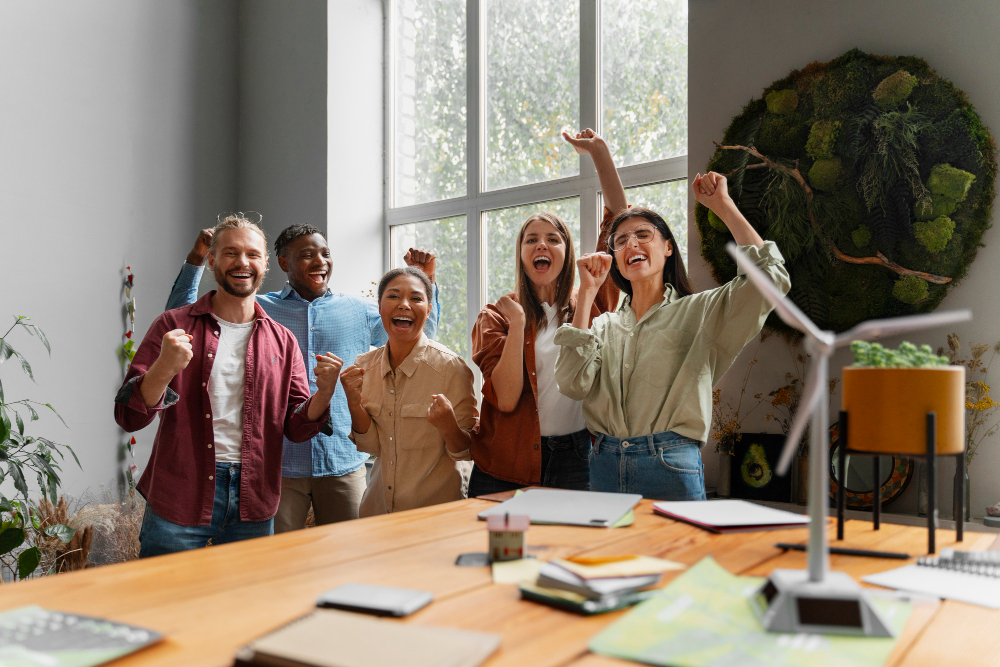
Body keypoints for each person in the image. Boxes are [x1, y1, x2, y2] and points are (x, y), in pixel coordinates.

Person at [165, 224, 440, 532]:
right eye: (307, 255)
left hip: (343, 463)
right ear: (284, 263)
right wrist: (197, 256)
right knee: (280, 565)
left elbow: (421, 337)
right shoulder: (257, 310)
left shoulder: (359, 311)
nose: (320, 261)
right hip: (279, 465)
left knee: (346, 561)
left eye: (325, 254)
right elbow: (178, 317)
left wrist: (425, 280)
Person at [554, 171, 791, 500]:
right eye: (620, 241)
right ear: (618, 265)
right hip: (604, 465)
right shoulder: (603, 326)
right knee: (610, 555)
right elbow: (571, 383)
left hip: (669, 465)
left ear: (667, 248)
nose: (631, 243)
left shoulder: (701, 312)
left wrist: (722, 205)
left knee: (680, 555)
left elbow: (770, 280)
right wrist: (587, 295)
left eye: (642, 234)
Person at [115, 215, 339, 557]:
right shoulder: (173, 325)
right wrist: (163, 368)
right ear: (211, 260)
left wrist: (323, 394)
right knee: (160, 605)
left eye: (252, 254)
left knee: (244, 607)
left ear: (265, 264)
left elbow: (295, 427)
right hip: (180, 491)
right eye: (230, 252)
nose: (242, 262)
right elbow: (129, 418)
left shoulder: (283, 341)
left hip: (254, 499)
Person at [467, 128, 626, 496]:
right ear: (522, 255)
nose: (542, 244)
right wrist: (520, 322)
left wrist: (600, 155)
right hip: (504, 462)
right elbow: (506, 399)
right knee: (501, 552)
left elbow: (620, 222)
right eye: (531, 239)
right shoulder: (495, 316)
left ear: (567, 252)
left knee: (570, 551)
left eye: (553, 238)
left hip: (577, 457)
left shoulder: (593, 296)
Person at [340, 267, 477, 517]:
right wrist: (353, 402)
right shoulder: (363, 366)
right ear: (379, 306)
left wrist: (448, 425)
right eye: (393, 296)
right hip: (377, 512)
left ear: (429, 309)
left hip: (437, 516)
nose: (404, 305)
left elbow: (466, 451)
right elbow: (370, 445)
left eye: (415, 298)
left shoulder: (451, 368)